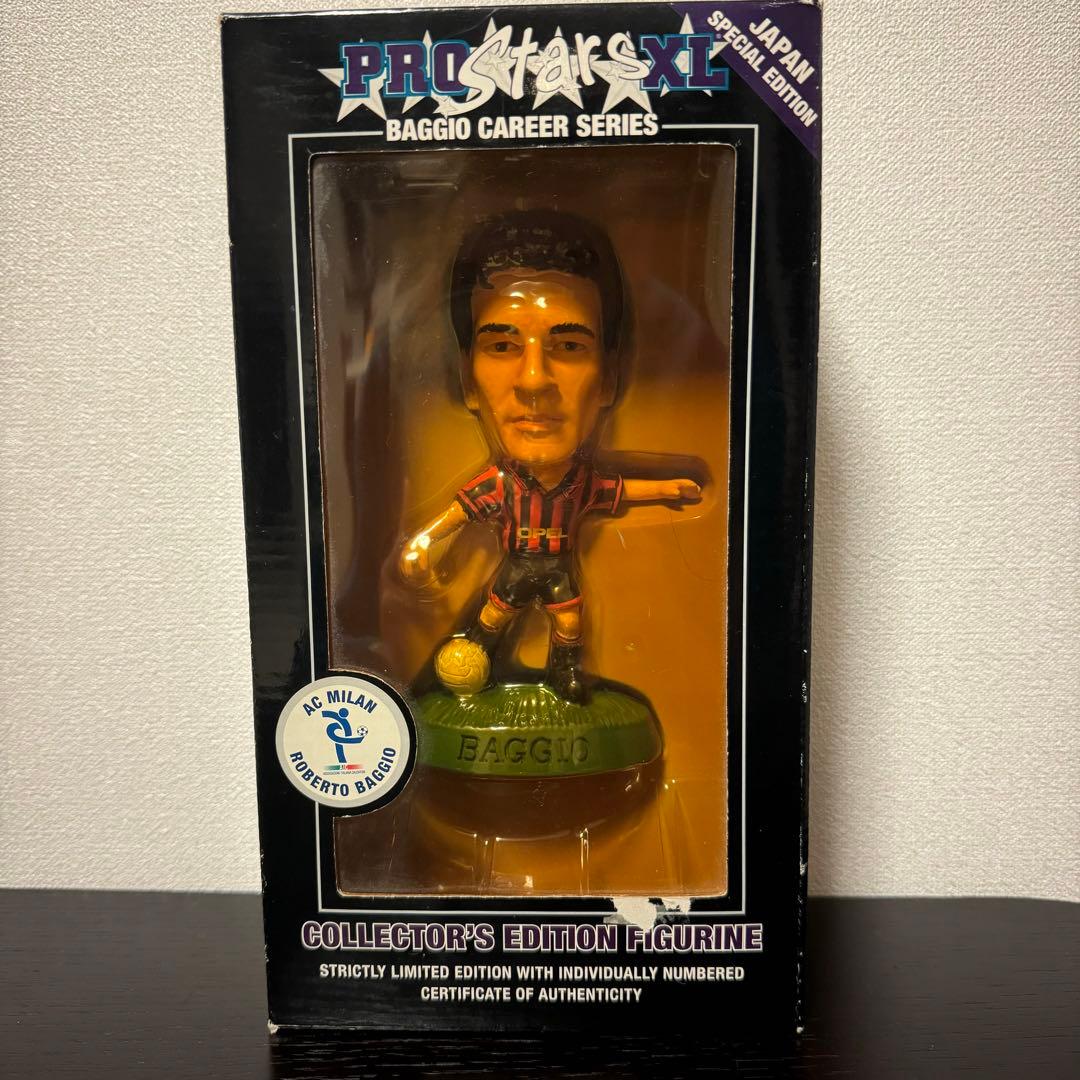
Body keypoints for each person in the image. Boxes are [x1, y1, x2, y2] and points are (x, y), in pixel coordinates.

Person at [398, 210, 701, 701]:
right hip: (516, 566)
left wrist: (669, 488)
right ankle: (471, 663)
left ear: (608, 378)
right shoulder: (501, 484)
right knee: (493, 615)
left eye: (569, 345)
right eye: (502, 345)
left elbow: (620, 491)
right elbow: (458, 513)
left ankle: (565, 672)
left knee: (569, 620)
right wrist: (425, 542)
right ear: (468, 382)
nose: (534, 380)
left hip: (558, 570)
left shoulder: (581, 484)